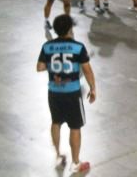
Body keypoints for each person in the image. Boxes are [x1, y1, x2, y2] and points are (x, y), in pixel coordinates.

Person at [36, 14, 96, 173]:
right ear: (70, 28)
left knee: (56, 122)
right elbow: (87, 70)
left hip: (54, 92)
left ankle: (58, 155)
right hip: (72, 94)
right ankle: (76, 163)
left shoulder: (47, 46)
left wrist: (57, 72)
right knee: (75, 126)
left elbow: (40, 67)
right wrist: (93, 88)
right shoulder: (78, 47)